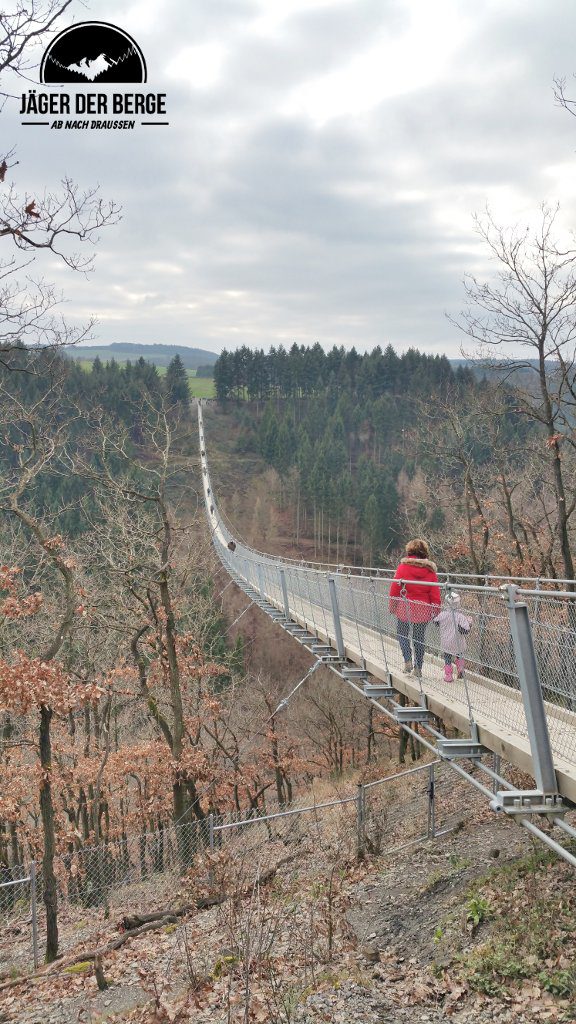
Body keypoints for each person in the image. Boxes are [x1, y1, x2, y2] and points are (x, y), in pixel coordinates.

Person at [388, 538, 441, 678]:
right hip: (423, 609)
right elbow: (434, 593)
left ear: (409, 551)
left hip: (405, 607)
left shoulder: (402, 567)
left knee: (402, 634)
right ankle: (418, 668)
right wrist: (436, 612)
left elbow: (395, 589)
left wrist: (392, 607)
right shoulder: (430, 571)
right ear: (424, 552)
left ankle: (407, 660)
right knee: (419, 638)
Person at [433, 591, 471, 681]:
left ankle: (448, 676)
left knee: (447, 658)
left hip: (446, 642)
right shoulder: (460, 617)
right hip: (458, 642)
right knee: (459, 655)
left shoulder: (443, 615)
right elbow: (466, 630)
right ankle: (460, 669)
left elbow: (435, 621)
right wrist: (469, 622)